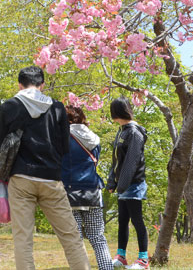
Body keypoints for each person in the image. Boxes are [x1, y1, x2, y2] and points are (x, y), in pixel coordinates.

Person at [0, 65, 90, 270]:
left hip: (20, 179)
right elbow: (64, 147)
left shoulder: (9, 106)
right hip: (51, 179)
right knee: (70, 235)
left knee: (23, 238)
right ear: (42, 85)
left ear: (20, 84)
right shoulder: (57, 108)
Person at [62, 104, 113, 270]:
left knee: (75, 241)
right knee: (98, 238)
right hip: (93, 191)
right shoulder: (95, 139)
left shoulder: (62, 137)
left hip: (70, 194)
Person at [106, 98, 149, 270]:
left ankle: (143, 260)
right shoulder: (121, 131)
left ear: (116, 112)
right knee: (123, 221)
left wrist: (122, 185)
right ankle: (121, 256)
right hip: (123, 185)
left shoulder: (134, 132)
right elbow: (116, 160)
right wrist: (112, 182)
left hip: (134, 184)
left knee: (137, 221)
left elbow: (132, 162)